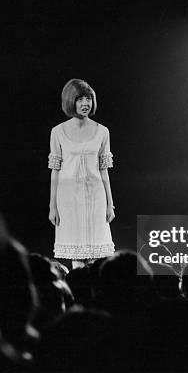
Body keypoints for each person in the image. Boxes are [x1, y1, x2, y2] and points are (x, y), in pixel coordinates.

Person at [48, 79, 116, 269]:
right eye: (79, 99)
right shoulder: (57, 132)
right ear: (70, 101)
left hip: (96, 197)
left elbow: (104, 170)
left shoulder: (102, 131)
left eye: (88, 99)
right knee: (77, 259)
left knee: (96, 257)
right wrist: (52, 206)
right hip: (68, 198)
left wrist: (110, 204)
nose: (85, 104)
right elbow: (55, 171)